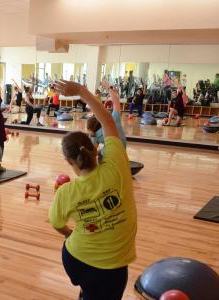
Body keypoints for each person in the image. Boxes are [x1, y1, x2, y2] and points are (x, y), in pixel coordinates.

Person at [50, 79, 137, 300]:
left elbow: (57, 224)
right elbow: (107, 120)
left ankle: (86, 291)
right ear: (93, 147)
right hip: (114, 268)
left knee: (90, 290)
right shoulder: (118, 166)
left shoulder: (66, 191)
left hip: (77, 260)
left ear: (69, 162)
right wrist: (81, 91)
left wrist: (71, 234)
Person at [87, 82, 127, 159]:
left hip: (112, 154)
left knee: (100, 154)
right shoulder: (114, 119)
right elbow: (116, 101)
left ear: (91, 129)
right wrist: (108, 88)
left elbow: (94, 153)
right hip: (123, 148)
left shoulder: (94, 135)